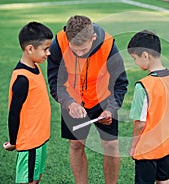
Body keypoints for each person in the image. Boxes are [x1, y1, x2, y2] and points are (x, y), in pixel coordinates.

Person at [47, 15, 128, 184]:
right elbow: (55, 81)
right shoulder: (59, 43)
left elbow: (120, 83)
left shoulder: (108, 44)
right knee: (75, 144)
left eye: (83, 50)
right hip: (72, 99)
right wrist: (68, 103)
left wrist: (111, 109)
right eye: (74, 49)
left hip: (103, 99)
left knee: (111, 147)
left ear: (93, 37)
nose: (79, 53)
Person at [3, 22, 53, 184]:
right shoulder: (22, 78)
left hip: (39, 138)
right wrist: (13, 142)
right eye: (45, 49)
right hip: (30, 141)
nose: (49, 53)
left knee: (35, 178)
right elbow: (13, 113)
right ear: (30, 49)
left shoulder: (35, 67)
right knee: (27, 180)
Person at [127, 30, 169, 184]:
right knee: (164, 181)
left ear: (145, 55)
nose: (135, 63)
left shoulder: (143, 86)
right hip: (167, 145)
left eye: (134, 58)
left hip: (147, 149)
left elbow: (140, 122)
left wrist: (133, 146)